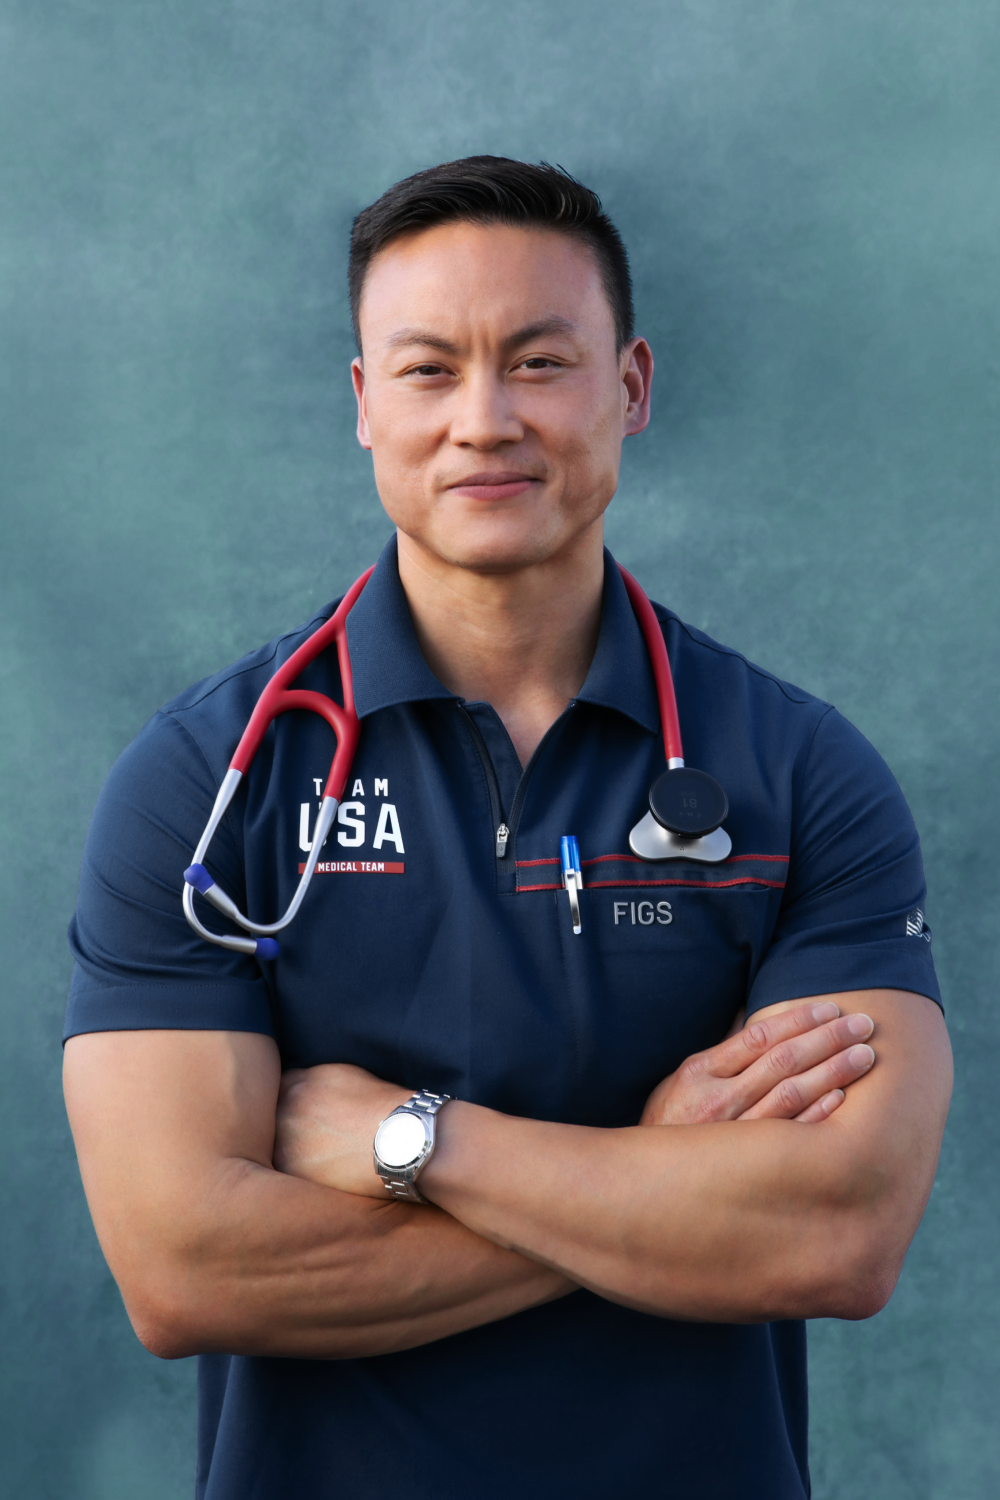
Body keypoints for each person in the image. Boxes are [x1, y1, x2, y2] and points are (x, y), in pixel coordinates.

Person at [63, 157, 951, 1500]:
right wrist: (665, 1187)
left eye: (540, 362)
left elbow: (839, 1236)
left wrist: (407, 1142)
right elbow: (186, 1271)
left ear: (631, 387)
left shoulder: (801, 774)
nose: (484, 421)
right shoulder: (206, 783)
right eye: (429, 370)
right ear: (365, 404)